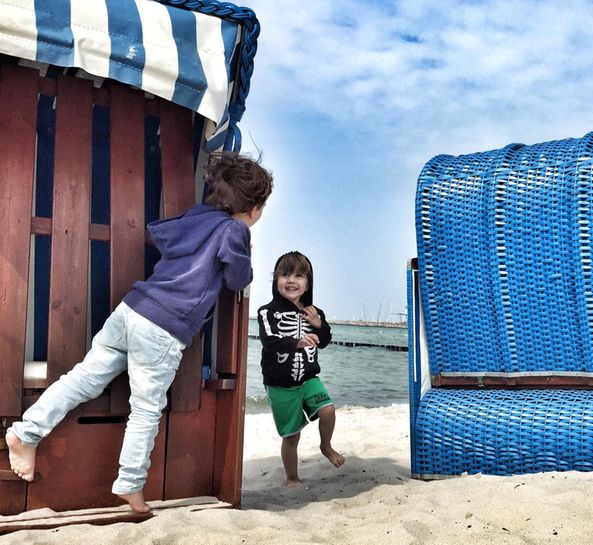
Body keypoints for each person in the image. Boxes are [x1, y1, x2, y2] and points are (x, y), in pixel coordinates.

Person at [4, 152, 273, 513]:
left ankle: (27, 431)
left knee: (83, 378)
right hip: (163, 327)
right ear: (254, 208)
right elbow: (238, 277)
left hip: (131, 309)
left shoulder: (195, 219)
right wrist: (246, 252)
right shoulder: (234, 230)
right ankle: (130, 485)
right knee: (146, 409)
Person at [257, 251, 344, 487]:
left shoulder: (315, 313)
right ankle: (292, 478)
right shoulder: (267, 312)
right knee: (291, 435)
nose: (291, 280)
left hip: (308, 378)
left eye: (298, 276)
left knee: (328, 410)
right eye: (284, 275)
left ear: (307, 284)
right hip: (280, 384)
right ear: (276, 280)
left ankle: (326, 446)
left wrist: (319, 325)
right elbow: (269, 339)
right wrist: (296, 342)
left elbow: (324, 341)